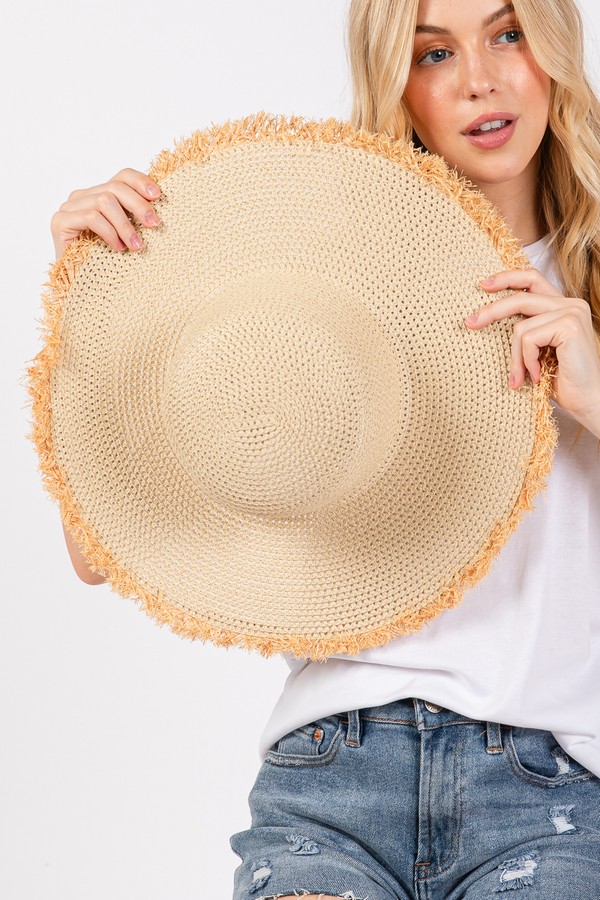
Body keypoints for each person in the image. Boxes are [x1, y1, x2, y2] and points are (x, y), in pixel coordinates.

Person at [50, 0, 600, 898]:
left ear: (555, 49)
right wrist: (97, 300)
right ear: (396, 83)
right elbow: (98, 552)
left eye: (508, 34)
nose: (480, 80)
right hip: (331, 776)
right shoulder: (327, 286)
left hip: (553, 795)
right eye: (432, 54)